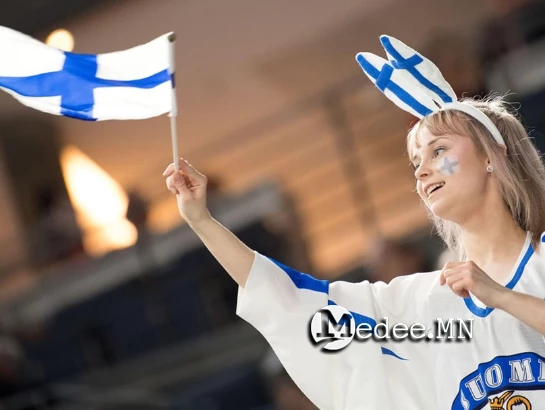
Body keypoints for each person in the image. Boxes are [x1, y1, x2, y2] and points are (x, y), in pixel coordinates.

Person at [163, 36, 545, 409]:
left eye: (438, 150)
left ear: (492, 154)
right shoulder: (422, 306)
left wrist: (501, 297)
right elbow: (290, 300)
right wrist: (202, 221)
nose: (421, 171)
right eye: (416, 162)